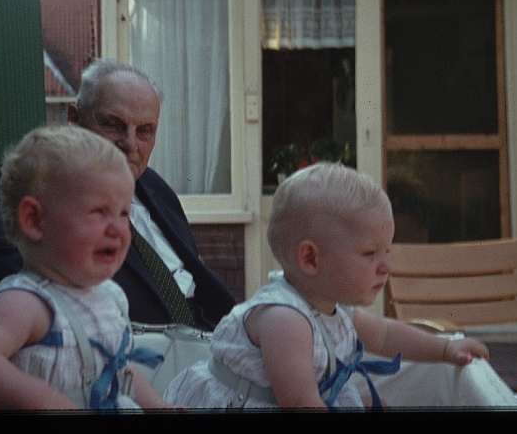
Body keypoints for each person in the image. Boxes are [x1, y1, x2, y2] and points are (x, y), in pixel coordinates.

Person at [163, 162, 490, 410]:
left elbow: (387, 335)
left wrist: (445, 349)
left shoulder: (332, 305)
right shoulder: (285, 319)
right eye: (369, 253)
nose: (386, 266)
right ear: (310, 260)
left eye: (386, 251)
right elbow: (301, 404)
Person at [0, 58, 236, 331]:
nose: (129, 143)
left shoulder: (155, 187)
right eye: (113, 124)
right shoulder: (43, 181)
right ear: (75, 119)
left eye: (145, 131)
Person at [0, 125, 175, 410]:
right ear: (35, 221)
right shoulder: (25, 303)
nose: (117, 228)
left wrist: (159, 406)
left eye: (124, 213)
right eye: (98, 211)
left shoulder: (108, 296)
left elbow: (118, 368)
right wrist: (46, 401)